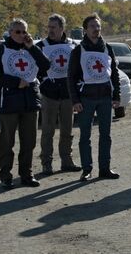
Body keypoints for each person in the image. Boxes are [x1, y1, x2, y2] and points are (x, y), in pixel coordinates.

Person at [0, 18, 51, 189]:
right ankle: (6, 175)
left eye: (24, 32)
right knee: (7, 141)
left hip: (30, 101)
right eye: (17, 32)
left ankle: (26, 174)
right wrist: (15, 82)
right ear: (10, 32)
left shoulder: (32, 49)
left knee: (29, 141)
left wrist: (32, 47)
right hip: (8, 101)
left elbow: (46, 65)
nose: (21, 35)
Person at [67, 14, 121, 181]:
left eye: (98, 26)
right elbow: (71, 77)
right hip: (86, 99)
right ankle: (87, 169)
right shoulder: (78, 50)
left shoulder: (107, 48)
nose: (96, 29)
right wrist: (75, 101)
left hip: (105, 98)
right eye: (92, 26)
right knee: (85, 136)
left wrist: (116, 95)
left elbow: (114, 74)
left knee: (106, 135)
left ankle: (105, 168)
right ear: (85, 29)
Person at [37, 14, 82, 175]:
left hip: (67, 94)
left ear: (62, 28)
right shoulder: (41, 46)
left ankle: (67, 160)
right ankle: (46, 163)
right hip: (49, 94)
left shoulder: (73, 45)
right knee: (47, 130)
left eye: (54, 27)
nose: (50, 30)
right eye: (48, 27)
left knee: (67, 130)